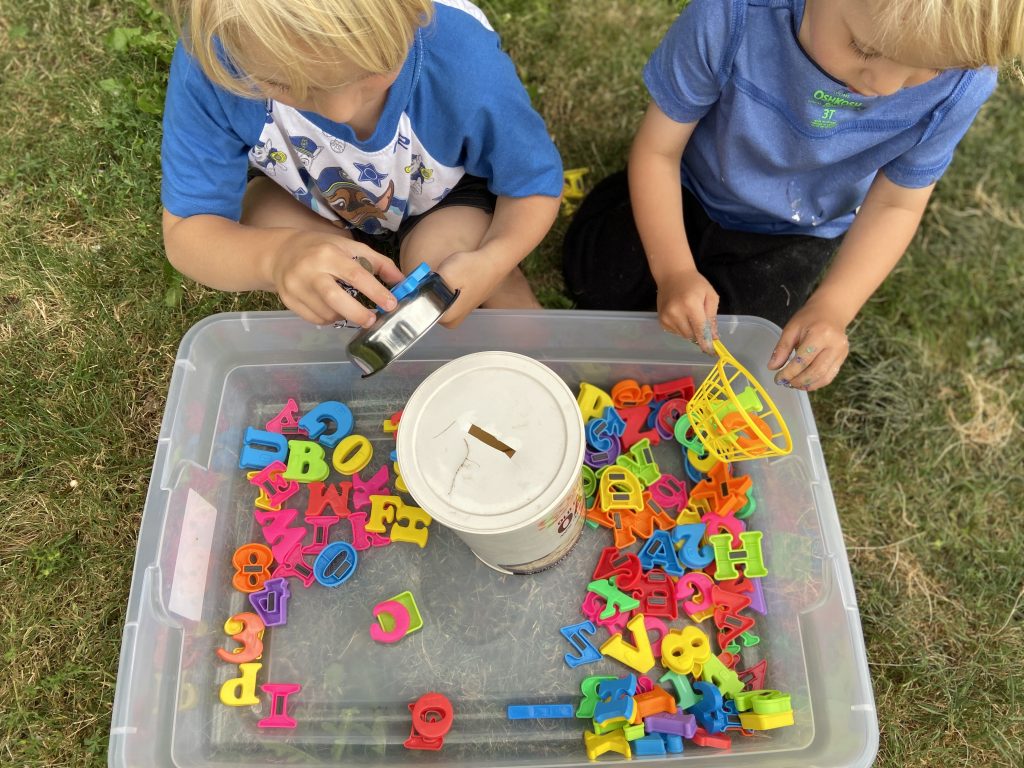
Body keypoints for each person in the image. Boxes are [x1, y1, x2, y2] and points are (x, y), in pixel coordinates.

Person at [563, 0, 1023, 390]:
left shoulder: (963, 85)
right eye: (864, 48)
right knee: (600, 276)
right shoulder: (732, 15)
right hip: (690, 183)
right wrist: (675, 270)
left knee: (752, 349)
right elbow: (658, 152)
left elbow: (897, 201)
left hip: (796, 229)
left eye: (930, 69)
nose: (882, 87)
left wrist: (834, 307)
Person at [161, 0, 562, 329]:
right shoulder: (216, 60)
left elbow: (532, 185)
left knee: (450, 266)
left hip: (443, 194)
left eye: (372, 70)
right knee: (264, 220)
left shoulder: (464, 63)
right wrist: (278, 256)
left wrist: (493, 260)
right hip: (310, 192)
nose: (340, 111)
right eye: (283, 83)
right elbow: (189, 231)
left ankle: (541, 359)